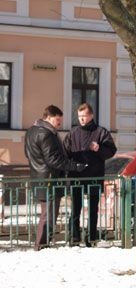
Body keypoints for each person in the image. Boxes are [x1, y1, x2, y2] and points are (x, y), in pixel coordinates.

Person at [24, 105, 87, 251]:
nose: (59, 124)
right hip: (49, 180)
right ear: (49, 117)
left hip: (39, 177)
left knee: (47, 213)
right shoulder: (46, 134)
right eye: (58, 120)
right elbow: (54, 160)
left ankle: (42, 245)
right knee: (49, 215)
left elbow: (29, 155)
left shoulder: (31, 131)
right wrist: (75, 166)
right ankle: (41, 246)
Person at [63, 103, 117, 246]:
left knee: (93, 209)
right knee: (75, 208)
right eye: (79, 116)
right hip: (77, 176)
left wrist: (99, 148)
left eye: (84, 116)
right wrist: (68, 169)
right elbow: (65, 153)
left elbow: (111, 151)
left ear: (91, 116)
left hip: (94, 175)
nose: (81, 119)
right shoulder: (73, 133)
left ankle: (91, 237)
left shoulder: (101, 132)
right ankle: (74, 238)